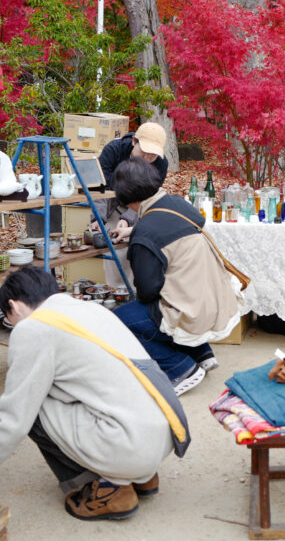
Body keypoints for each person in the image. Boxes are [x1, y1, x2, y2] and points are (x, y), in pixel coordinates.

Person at [0, 266, 190, 521]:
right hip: (163, 436)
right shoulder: (90, 309)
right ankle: (139, 477)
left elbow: (14, 420)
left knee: (32, 403)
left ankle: (106, 488)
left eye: (10, 319)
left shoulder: (32, 328)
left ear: (14, 307)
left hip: (130, 446)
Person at [110, 158, 243, 395]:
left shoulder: (145, 234)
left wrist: (138, 240)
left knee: (120, 320)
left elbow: (147, 290)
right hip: (216, 299)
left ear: (125, 197)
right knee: (177, 292)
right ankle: (202, 353)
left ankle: (179, 369)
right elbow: (167, 231)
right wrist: (135, 232)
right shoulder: (177, 204)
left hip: (191, 311)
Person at [93, 122, 169, 284]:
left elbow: (150, 197)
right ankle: (116, 291)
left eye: (153, 155)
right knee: (115, 242)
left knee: (143, 241)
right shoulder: (113, 151)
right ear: (134, 141)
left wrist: (128, 219)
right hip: (110, 201)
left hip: (143, 205)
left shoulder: (161, 163)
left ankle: (138, 291)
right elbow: (99, 189)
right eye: (145, 152)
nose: (148, 158)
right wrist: (98, 219)